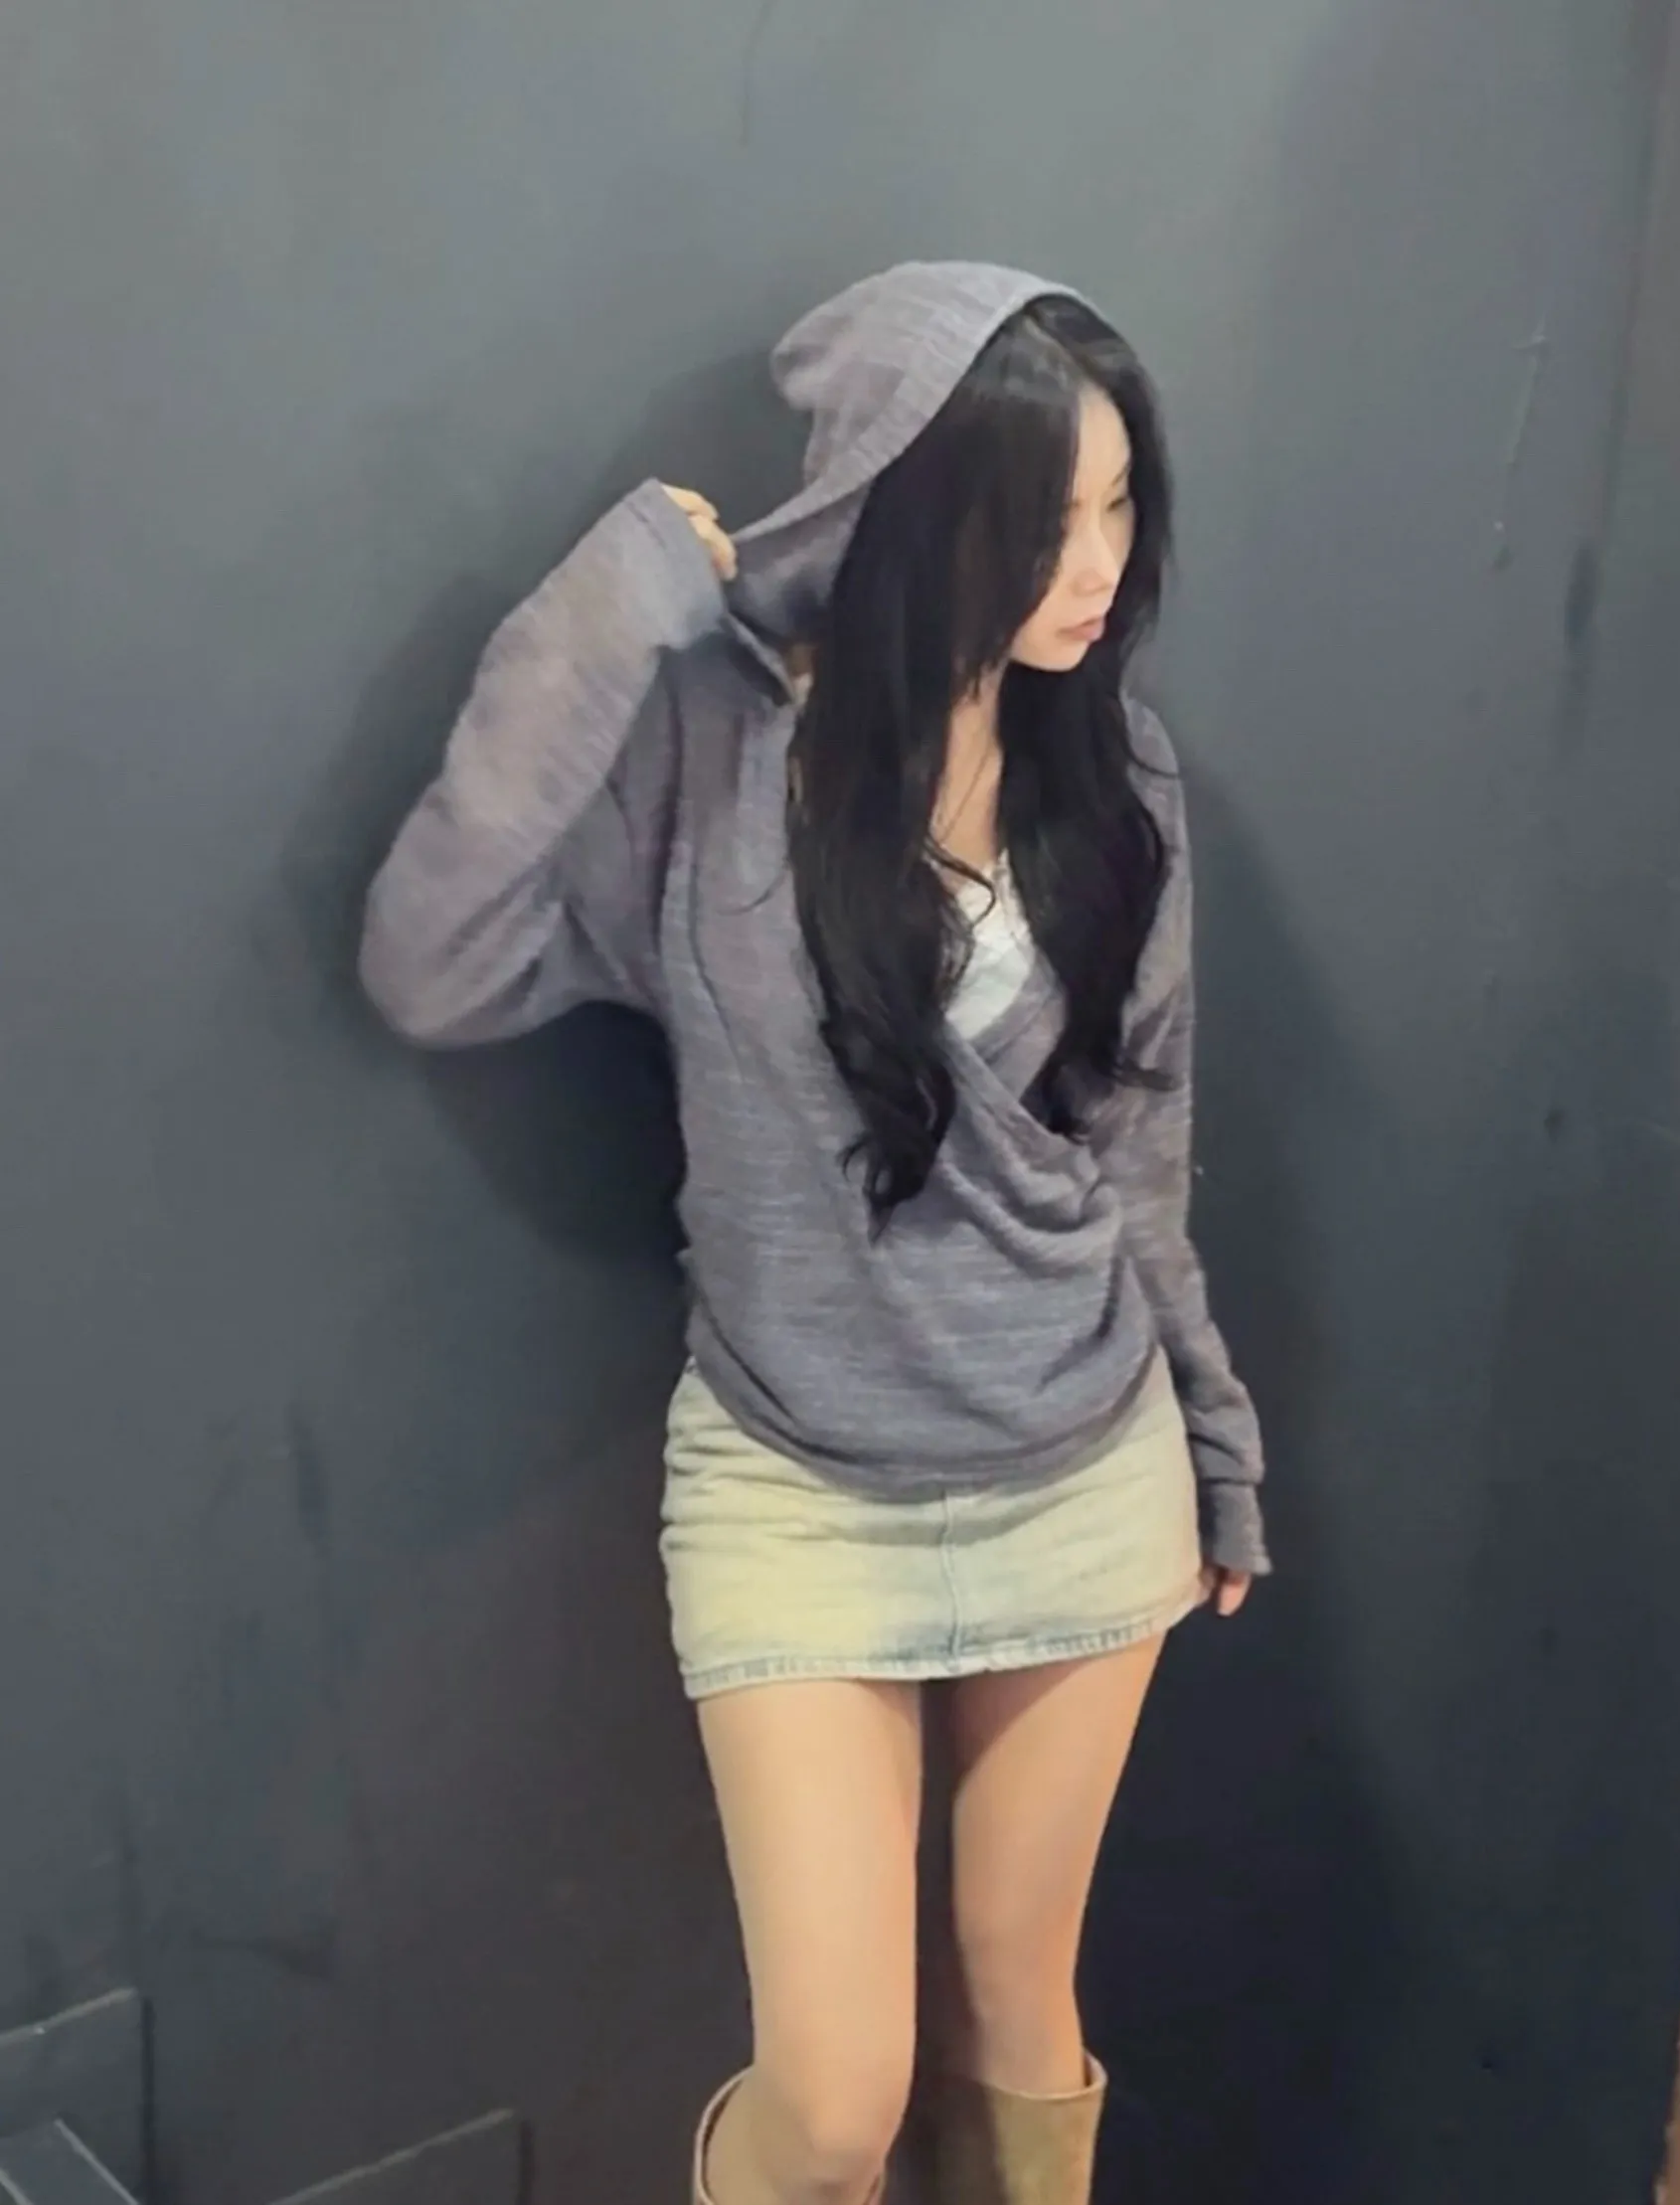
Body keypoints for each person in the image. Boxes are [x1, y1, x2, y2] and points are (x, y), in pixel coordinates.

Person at [360, 262, 1267, 2205]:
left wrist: (1210, 1430)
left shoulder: (1117, 769)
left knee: (1022, 2010)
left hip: (1075, 1458)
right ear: (907, 513)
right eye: (1044, 517)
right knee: (838, 2097)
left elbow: (1138, 1145)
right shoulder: (707, 752)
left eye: (1121, 502)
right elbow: (429, 960)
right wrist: (595, 617)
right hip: (797, 1482)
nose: (1098, 564)